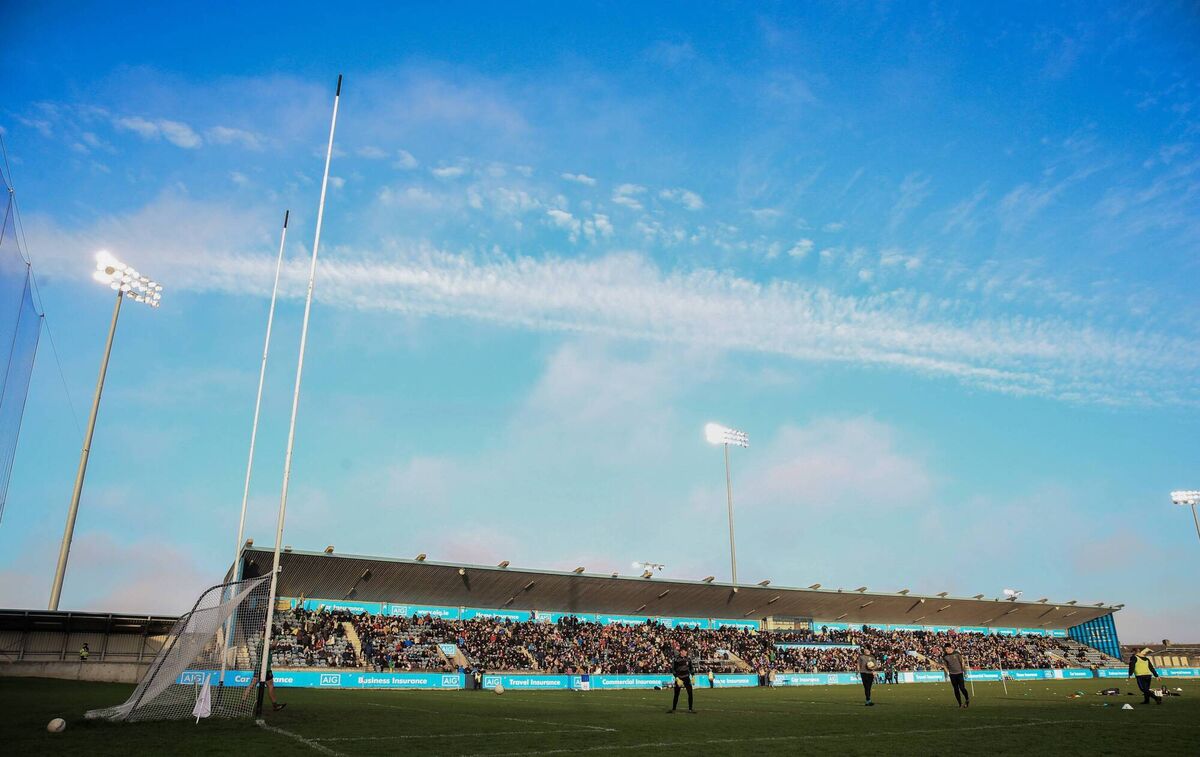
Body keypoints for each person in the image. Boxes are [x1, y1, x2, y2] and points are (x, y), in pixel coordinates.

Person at [939, 643, 970, 708]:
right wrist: (947, 674)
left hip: (959, 673)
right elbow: (945, 666)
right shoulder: (945, 656)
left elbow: (962, 662)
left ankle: (967, 699)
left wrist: (965, 672)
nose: (946, 650)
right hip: (952, 674)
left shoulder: (957, 653)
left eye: (947, 649)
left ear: (950, 648)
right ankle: (960, 704)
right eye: (945, 649)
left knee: (962, 688)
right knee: (956, 689)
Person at [667, 648, 696, 713]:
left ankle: (690, 709)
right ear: (681, 652)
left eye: (686, 651)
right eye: (685, 651)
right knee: (676, 694)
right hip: (679, 678)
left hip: (686, 678)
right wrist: (677, 678)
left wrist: (693, 676)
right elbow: (673, 669)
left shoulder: (688, 659)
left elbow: (691, 668)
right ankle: (674, 709)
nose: (686, 652)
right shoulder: (676, 659)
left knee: (690, 693)